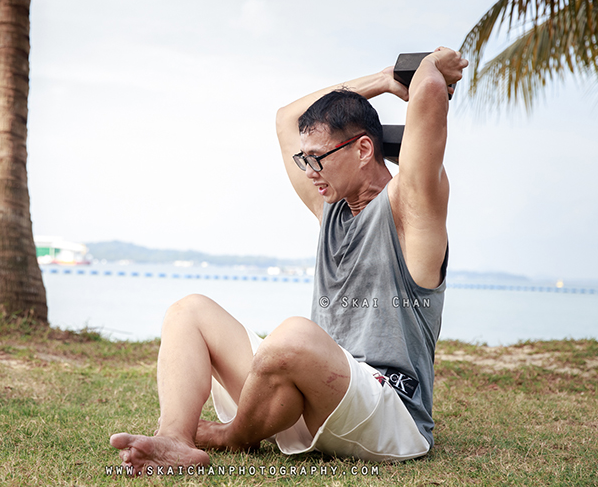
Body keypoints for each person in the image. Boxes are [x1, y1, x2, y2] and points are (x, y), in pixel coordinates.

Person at [110, 47, 468, 474]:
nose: (309, 169)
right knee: (189, 311)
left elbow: (428, 100)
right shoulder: (331, 210)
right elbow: (286, 120)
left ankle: (232, 436)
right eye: (304, 158)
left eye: (317, 158)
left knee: (294, 336)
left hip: (389, 412)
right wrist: (386, 78)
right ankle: (174, 439)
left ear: (363, 150)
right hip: (318, 391)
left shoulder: (410, 210)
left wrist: (429, 66)